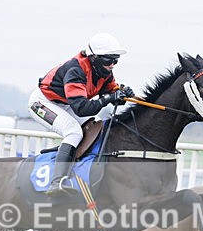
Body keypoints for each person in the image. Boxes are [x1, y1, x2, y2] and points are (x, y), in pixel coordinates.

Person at [27, 33, 135, 196]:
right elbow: (82, 109)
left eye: (115, 60)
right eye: (108, 60)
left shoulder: (103, 70)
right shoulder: (75, 71)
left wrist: (121, 93)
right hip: (43, 103)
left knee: (96, 125)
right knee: (73, 131)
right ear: (94, 58)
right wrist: (109, 98)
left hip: (66, 103)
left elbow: (110, 91)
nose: (112, 65)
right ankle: (56, 182)